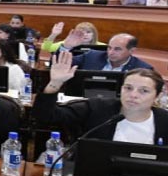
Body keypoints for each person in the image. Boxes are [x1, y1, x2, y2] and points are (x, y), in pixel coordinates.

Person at [33, 51, 168, 144]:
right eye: (128, 88)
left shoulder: (164, 121)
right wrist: (55, 83)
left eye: (144, 91)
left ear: (158, 95)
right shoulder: (97, 108)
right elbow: (45, 116)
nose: (133, 95)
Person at [71, 33, 152, 72]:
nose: (111, 52)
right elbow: (65, 63)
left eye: (117, 49)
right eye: (109, 48)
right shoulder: (91, 56)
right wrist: (67, 47)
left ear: (131, 51)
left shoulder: (142, 69)